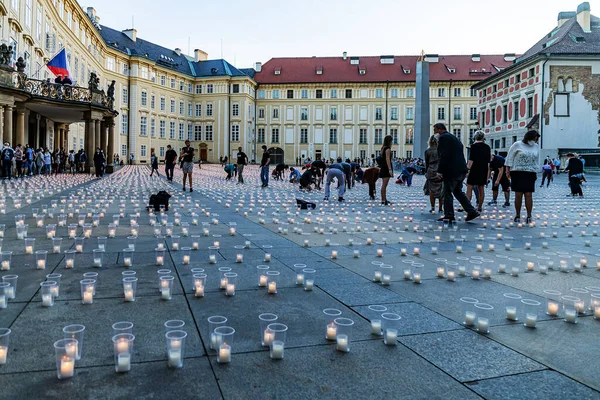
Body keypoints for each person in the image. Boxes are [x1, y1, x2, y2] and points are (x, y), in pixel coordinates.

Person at [435, 123, 480, 222]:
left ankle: (449, 214)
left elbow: (444, 155)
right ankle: (472, 211)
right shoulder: (454, 138)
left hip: (451, 171)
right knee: (457, 191)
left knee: (447, 192)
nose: (435, 132)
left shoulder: (443, 138)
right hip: (461, 169)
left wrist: (439, 171)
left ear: (439, 129)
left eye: (435, 130)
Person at [505, 130, 540, 223]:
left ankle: (529, 215)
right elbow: (510, 157)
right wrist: (507, 170)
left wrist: (536, 171)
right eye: (534, 139)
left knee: (528, 194)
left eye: (536, 139)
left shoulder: (536, 146)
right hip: (517, 172)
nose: (535, 141)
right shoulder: (517, 145)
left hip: (530, 172)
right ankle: (517, 214)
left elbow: (536, 159)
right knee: (518, 194)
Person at [466, 131, 491, 212]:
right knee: (481, 189)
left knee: (469, 188)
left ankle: (467, 206)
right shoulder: (487, 147)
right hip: (483, 169)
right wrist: (488, 175)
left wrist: (467, 170)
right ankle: (479, 207)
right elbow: (488, 162)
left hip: (474, 169)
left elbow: (471, 160)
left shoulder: (473, 146)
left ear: (475, 137)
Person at [424, 135, 443, 213]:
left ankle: (432, 207)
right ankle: (440, 208)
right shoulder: (441, 150)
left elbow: (426, 163)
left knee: (432, 190)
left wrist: (426, 172)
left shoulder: (428, 151)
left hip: (431, 171)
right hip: (440, 171)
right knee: (441, 190)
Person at [378, 135, 394, 206]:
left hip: (383, 167)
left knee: (383, 185)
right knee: (384, 185)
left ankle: (384, 199)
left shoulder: (383, 148)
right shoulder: (387, 149)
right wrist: (390, 169)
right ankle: (383, 200)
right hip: (386, 168)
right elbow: (387, 159)